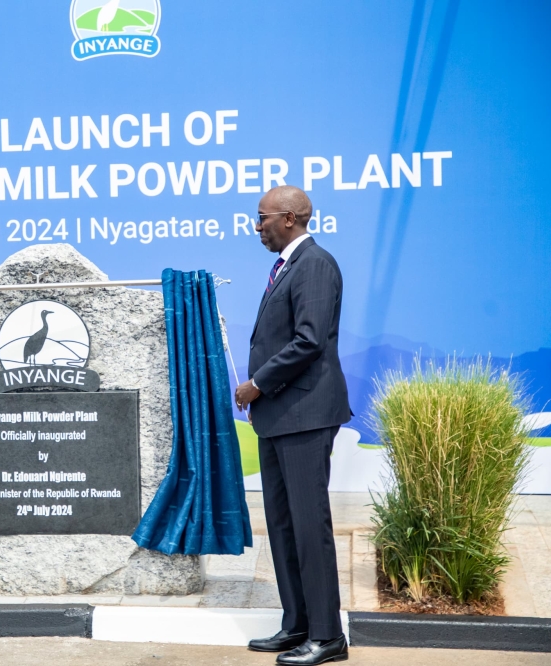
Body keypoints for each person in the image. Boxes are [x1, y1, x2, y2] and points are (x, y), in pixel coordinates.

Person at [234, 186, 351, 665]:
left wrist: (257, 384)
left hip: (304, 415)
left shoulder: (316, 264)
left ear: (287, 217)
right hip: (280, 419)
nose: (256, 225)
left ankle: (327, 637)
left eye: (260, 217)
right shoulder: (286, 264)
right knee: (282, 527)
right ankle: (297, 624)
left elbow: (309, 342)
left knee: (309, 526)